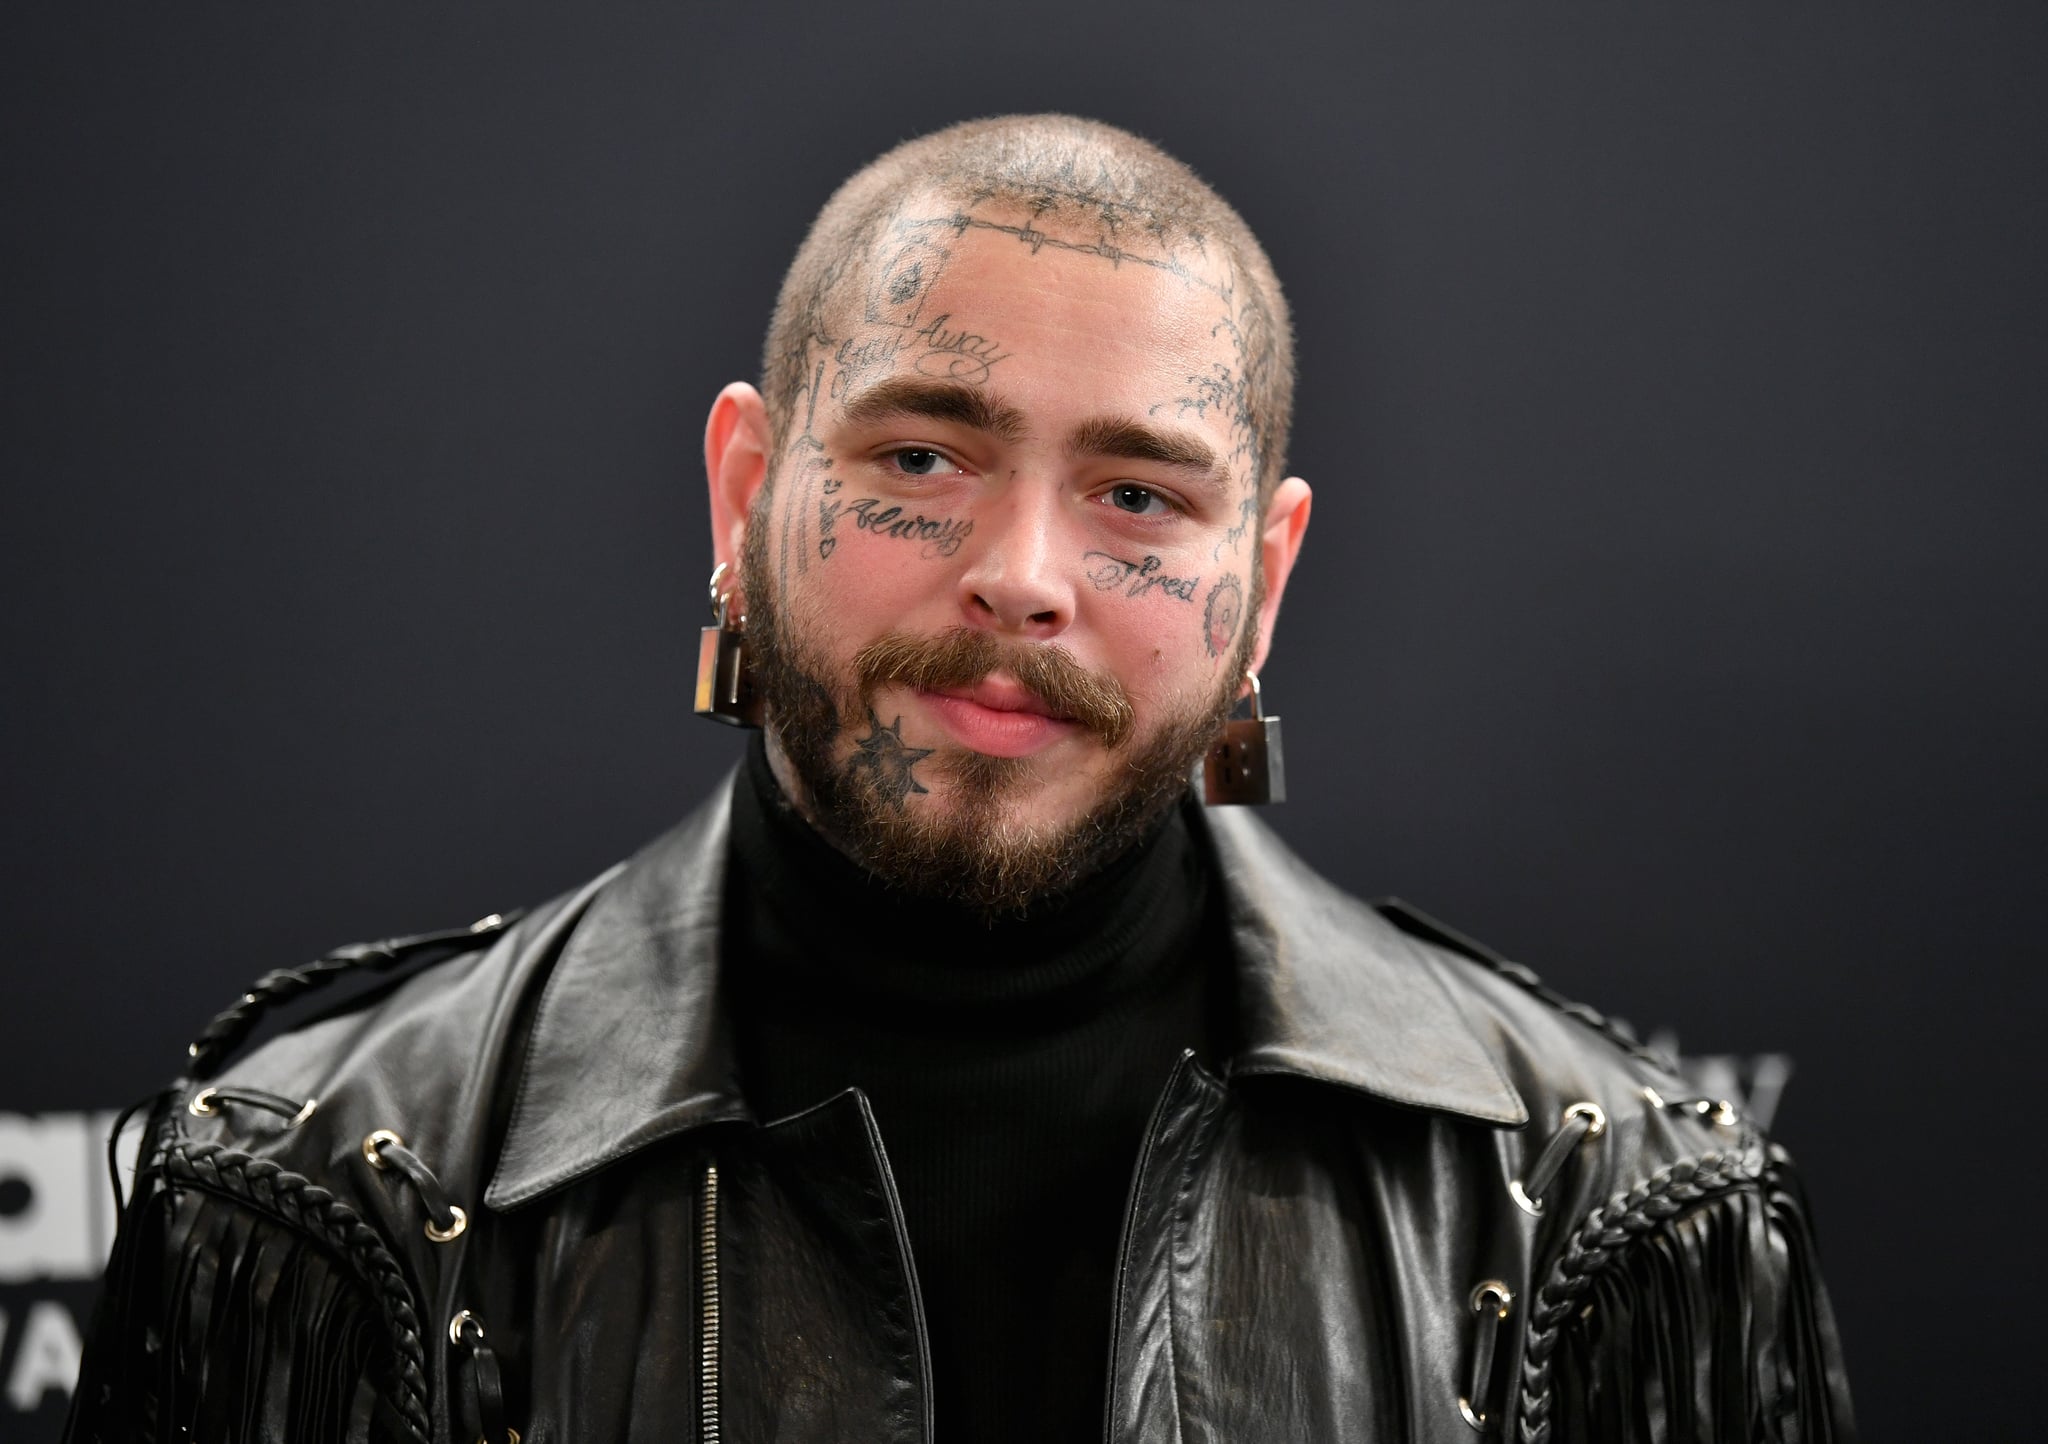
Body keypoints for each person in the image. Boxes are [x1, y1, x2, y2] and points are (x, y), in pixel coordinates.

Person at [67, 115, 1853, 1444]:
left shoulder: (1614, 1215)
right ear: (745, 495)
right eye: (924, 454)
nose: (1024, 574)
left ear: (1268, 583)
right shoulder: (318, 1200)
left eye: (1139, 494)